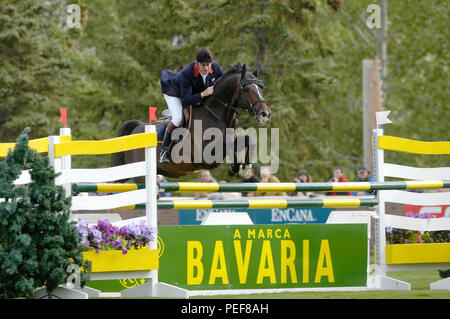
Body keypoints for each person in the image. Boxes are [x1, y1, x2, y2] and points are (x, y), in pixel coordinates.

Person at [159, 48, 224, 163]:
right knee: (178, 118)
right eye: (203, 65)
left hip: (191, 93)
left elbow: (224, 84)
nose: (206, 68)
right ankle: (164, 151)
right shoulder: (187, 73)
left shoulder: (216, 68)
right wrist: (203, 94)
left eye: (208, 65)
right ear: (196, 63)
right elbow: (185, 101)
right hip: (174, 93)